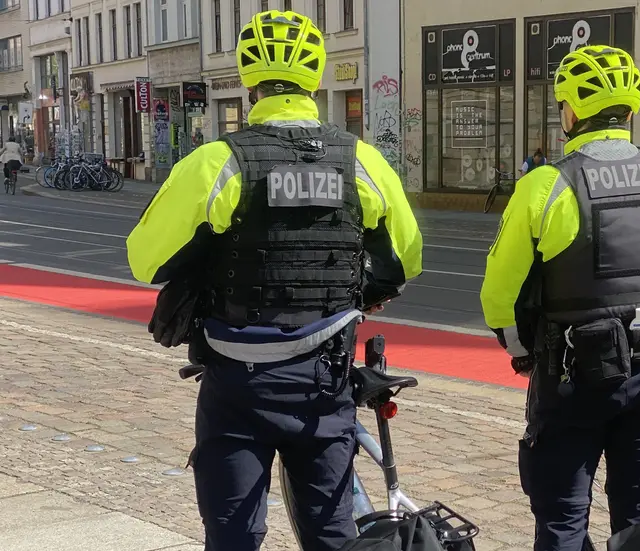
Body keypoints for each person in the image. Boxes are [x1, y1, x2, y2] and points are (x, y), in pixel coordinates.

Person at [126, 10, 423, 551]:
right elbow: (405, 259)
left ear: (248, 77)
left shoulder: (218, 162)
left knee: (233, 536)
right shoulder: (363, 161)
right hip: (324, 382)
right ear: (316, 78)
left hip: (237, 386)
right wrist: (363, 292)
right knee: (333, 534)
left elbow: (145, 260)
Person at [479, 45, 640, 551]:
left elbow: (500, 293)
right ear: (630, 110)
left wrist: (521, 352)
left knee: (563, 521)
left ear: (570, 111)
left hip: (571, 375)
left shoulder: (546, 185)